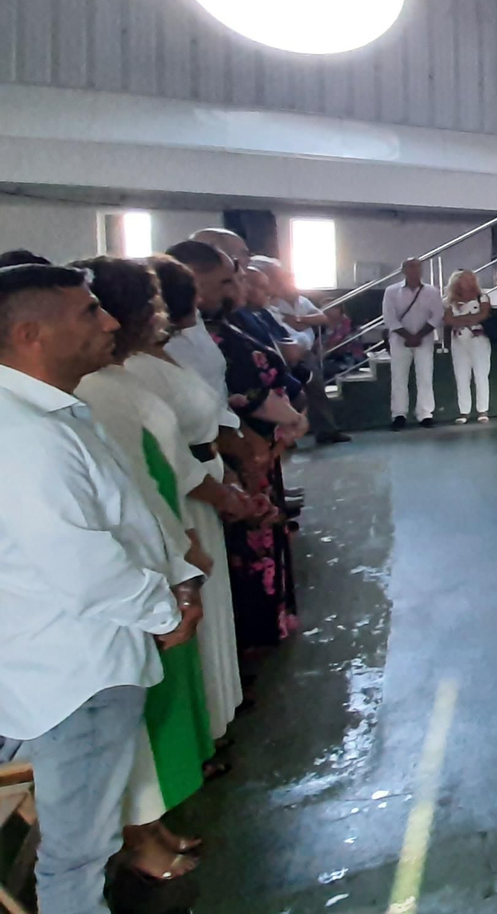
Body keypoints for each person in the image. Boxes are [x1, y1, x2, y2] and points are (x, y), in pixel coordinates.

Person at [0, 263, 206, 914]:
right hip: (70, 670)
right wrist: (162, 611)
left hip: (90, 654)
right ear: (30, 334)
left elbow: (123, 511)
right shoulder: (22, 438)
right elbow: (80, 562)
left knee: (87, 833)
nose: (108, 323)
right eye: (88, 313)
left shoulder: (52, 413)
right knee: (75, 852)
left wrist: (175, 577)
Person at [72, 260, 213, 867]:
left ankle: (149, 823)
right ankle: (135, 836)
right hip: (122, 568)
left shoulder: (115, 379)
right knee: (128, 707)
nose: (103, 323)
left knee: (151, 700)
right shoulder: (85, 395)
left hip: (154, 545)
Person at [127, 255, 244, 747]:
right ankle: (199, 730)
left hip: (202, 481)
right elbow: (167, 454)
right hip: (182, 496)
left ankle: (217, 715)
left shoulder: (163, 355)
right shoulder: (128, 375)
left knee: (212, 609)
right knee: (191, 612)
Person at [166, 240, 305, 651]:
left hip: (249, 450)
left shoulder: (215, 329)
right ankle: (248, 640)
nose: (238, 287)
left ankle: (264, 628)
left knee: (254, 551)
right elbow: (217, 400)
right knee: (232, 562)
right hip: (221, 462)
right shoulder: (181, 343)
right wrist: (245, 440)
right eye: (227, 280)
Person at [256, 258, 347, 446]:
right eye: (283, 279)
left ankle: (327, 431)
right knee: (287, 394)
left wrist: (299, 319)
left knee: (317, 389)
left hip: (305, 354)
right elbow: (283, 331)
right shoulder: (270, 306)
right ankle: (287, 437)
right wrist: (301, 325)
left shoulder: (302, 302)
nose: (289, 284)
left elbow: (322, 318)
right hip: (284, 355)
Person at [381, 259, 444, 431]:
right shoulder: (392, 291)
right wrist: (407, 335)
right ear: (403, 270)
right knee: (399, 378)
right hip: (400, 340)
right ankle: (399, 414)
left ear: (421, 270)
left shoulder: (431, 291)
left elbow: (437, 315)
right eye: (410, 267)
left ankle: (425, 414)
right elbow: (389, 317)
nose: (414, 270)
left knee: (425, 376)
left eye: (417, 267)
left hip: (425, 339)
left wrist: (419, 335)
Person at [443, 270, 492, 425]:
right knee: (461, 376)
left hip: (478, 340)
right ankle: (464, 411)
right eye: (465, 279)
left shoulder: (482, 297)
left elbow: (483, 315)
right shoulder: (449, 301)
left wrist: (461, 319)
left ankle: (483, 410)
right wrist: (469, 319)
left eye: (471, 279)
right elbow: (449, 320)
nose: (469, 282)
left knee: (481, 374)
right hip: (458, 341)